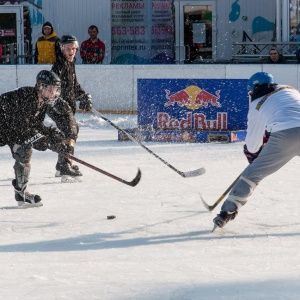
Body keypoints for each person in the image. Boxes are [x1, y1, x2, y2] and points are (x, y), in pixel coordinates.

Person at [213, 72, 300, 229]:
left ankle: (227, 213)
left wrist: (254, 158)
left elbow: (253, 145)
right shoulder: (290, 89)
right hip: (287, 129)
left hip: (285, 135)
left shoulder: (257, 104)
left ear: (254, 88)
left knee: (251, 176)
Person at [0, 70, 69, 208]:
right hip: (6, 127)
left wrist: (52, 136)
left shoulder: (42, 101)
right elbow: (21, 127)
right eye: (50, 89)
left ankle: (21, 192)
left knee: (24, 150)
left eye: (55, 89)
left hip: (9, 130)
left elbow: (35, 124)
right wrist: (38, 139)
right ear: (40, 86)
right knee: (26, 144)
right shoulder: (26, 96)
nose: (53, 93)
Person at [51, 34, 92, 179]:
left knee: (69, 131)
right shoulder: (60, 65)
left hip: (65, 105)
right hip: (57, 105)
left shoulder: (70, 63)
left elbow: (74, 85)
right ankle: (64, 167)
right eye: (68, 48)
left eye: (74, 48)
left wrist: (83, 96)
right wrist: (59, 102)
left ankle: (61, 164)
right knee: (71, 131)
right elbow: (52, 89)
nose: (71, 51)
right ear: (62, 49)